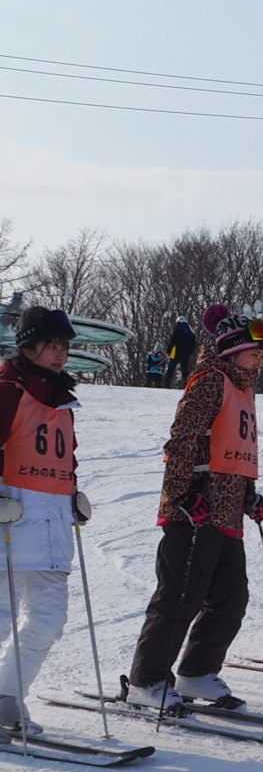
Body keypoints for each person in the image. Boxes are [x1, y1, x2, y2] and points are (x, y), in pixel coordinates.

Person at [125, 303, 263, 711]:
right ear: (230, 351)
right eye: (253, 351)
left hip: (227, 510)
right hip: (196, 507)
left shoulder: (244, 388)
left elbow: (234, 450)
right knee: (180, 595)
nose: (259, 357)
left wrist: (249, 496)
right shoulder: (210, 381)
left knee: (231, 597)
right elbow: (182, 442)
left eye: (261, 352)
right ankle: (147, 681)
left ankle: (196, 673)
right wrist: (180, 494)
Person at [0, 306, 92, 735]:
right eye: (52, 345)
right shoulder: (7, 389)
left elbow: (63, 459)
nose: (60, 355)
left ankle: (6, 698)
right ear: (29, 345)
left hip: (51, 529)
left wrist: (73, 495)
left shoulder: (62, 401)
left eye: (65, 346)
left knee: (48, 619)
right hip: (10, 523)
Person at [164, 316, 197, 389]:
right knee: (185, 371)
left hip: (176, 352)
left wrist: (168, 351)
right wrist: (189, 352)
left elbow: (173, 340)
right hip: (185, 354)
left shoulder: (178, 328)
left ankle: (166, 385)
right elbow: (193, 344)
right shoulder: (190, 331)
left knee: (171, 369)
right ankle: (188, 386)